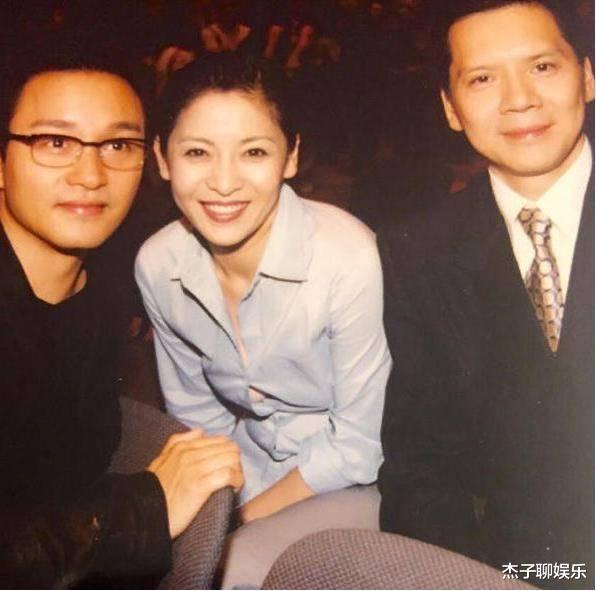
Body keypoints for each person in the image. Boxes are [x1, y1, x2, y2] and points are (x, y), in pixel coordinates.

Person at [135, 53, 391, 587]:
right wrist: (220, 504)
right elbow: (197, 415)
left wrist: (236, 522)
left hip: (349, 476)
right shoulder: (158, 264)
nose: (224, 183)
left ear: (291, 157)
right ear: (161, 158)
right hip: (246, 466)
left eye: (253, 152)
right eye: (197, 152)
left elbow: (356, 447)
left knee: (237, 573)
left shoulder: (347, 256)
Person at [0, 41, 243, 588]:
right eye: (55, 142)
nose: (91, 174)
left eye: (117, 144)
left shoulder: (103, 289)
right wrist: (143, 508)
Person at [378, 1, 594, 588]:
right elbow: (420, 463)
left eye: (543, 67)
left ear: (588, 76)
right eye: (482, 79)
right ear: (451, 109)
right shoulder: (418, 250)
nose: (519, 99)